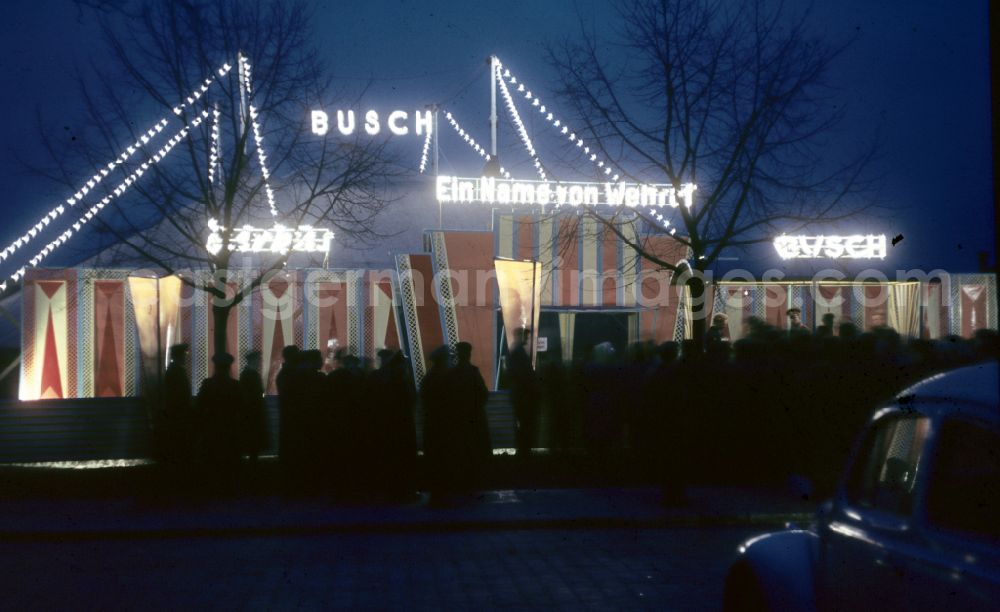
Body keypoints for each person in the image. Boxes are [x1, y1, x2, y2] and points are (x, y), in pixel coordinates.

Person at [448, 342, 491, 491]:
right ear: (468, 354)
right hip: (475, 417)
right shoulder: (473, 372)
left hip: (458, 419)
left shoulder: (452, 373)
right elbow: (484, 394)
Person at [196, 352, 243, 472]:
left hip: (212, 430)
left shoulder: (207, 384)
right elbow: (241, 408)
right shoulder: (235, 385)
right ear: (228, 367)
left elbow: (199, 406)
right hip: (230, 430)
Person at [421, 345, 454, 502]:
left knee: (435, 461)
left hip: (432, 425)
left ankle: (437, 493)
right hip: (443, 426)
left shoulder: (429, 378)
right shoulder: (446, 378)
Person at [508, 327, 539, 457]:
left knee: (521, 423)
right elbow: (525, 375)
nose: (527, 339)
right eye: (525, 336)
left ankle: (523, 449)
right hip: (523, 396)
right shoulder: (519, 353)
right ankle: (524, 450)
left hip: (519, 395)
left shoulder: (515, 352)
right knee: (525, 423)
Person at [162, 343, 192, 463]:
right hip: (179, 414)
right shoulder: (176, 372)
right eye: (184, 355)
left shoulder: (174, 370)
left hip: (177, 414)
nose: (186, 357)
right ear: (179, 356)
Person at [238, 350, 268, 462]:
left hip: (250, 412)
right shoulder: (251, 375)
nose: (260, 363)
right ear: (253, 361)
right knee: (253, 443)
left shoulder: (246, 374)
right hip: (253, 413)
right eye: (259, 360)